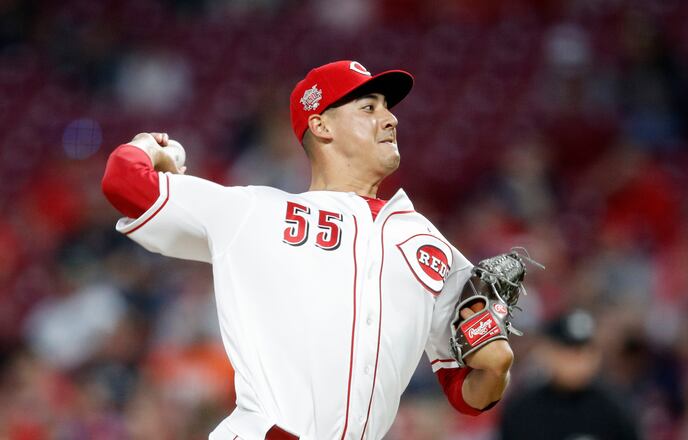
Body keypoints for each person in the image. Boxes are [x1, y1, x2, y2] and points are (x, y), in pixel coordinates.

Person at [101, 60, 515, 440]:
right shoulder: (257, 211)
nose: (389, 119)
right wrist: (149, 145)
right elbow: (124, 183)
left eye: (387, 108)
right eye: (368, 108)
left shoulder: (429, 244)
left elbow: (467, 395)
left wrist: (495, 366)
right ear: (321, 125)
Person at [499, 309, 641, 440]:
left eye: (583, 351)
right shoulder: (523, 410)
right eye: (568, 351)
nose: (577, 361)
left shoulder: (616, 408)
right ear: (547, 352)